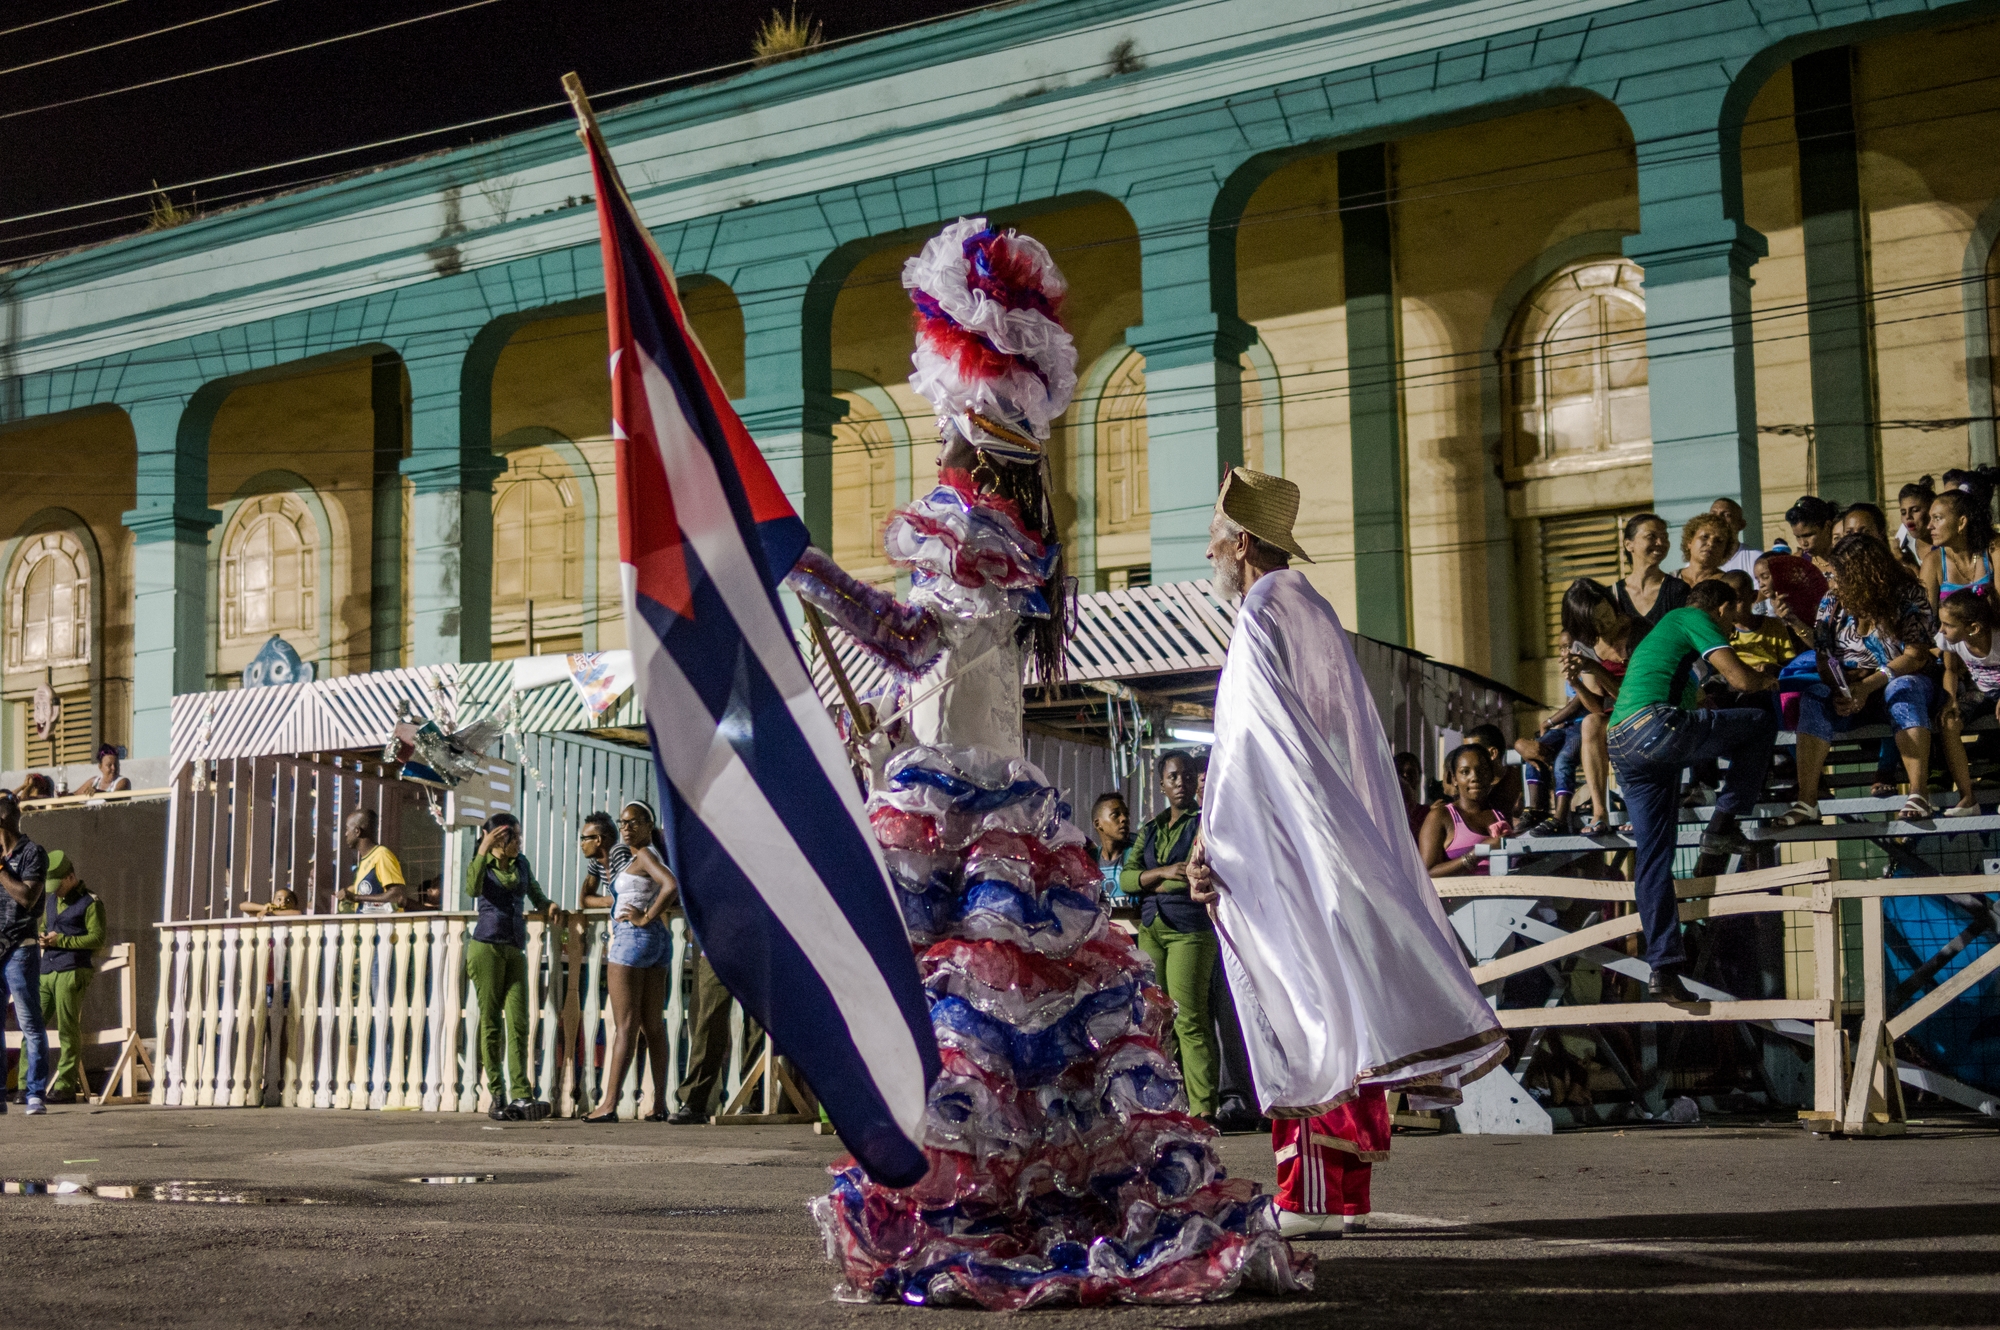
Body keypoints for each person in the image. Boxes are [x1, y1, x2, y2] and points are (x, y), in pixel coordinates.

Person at [1189, 467, 1504, 1239]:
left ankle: (1312, 1198)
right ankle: (1329, 1195)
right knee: (1342, 1001)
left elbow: (1247, 748)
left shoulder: (1263, 611)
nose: (1209, 553)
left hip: (1290, 841)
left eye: (1215, 538)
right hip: (1326, 837)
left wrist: (1211, 838)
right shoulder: (1312, 607)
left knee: (1310, 1006)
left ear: (1243, 542)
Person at [1607, 578, 1777, 1002]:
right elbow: (1739, 679)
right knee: (1758, 723)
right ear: (1720, 609)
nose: (1731, 632)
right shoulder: (1693, 616)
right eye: (1732, 622)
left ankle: (1663, 969)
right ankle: (1723, 823)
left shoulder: (1667, 641)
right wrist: (1768, 679)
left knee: (1653, 859)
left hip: (1624, 746)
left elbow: (1697, 700)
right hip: (1655, 729)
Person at [1772, 533, 1941, 825]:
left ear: (1864, 573)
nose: (1832, 578)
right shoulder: (1832, 601)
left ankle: (1918, 793)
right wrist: (1840, 688)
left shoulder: (1908, 595)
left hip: (1899, 680)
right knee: (1813, 697)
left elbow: (1916, 655)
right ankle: (1807, 801)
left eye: (1838, 573)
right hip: (1851, 686)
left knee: (1903, 687)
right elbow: (1823, 653)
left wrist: (1869, 684)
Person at [1119, 750, 1221, 1120]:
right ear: (1161, 784)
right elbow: (1125, 878)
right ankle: (1166, 1105)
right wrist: (1164, 874)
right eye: (1173, 777)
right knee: (1156, 1021)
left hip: (1189, 931)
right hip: (1152, 931)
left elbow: (1198, 873)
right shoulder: (1151, 828)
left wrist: (1153, 881)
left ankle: (1204, 1109)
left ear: (1197, 780)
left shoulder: (1205, 824)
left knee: (1189, 1017)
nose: (1181, 782)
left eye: (1187, 775)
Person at [583, 802, 679, 1124]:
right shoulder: (646, 856)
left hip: (632, 938)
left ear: (648, 825)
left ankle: (609, 1103)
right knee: (653, 1024)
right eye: (622, 824)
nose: (625, 829)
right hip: (655, 941)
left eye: (632, 823)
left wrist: (644, 916)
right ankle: (660, 1103)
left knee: (624, 1025)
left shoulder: (646, 856)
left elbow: (671, 885)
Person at [464, 812, 556, 1121]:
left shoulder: (522, 864)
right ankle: (497, 1094)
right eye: (514, 837)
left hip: (514, 947)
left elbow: (536, 893)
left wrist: (548, 905)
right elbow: (472, 889)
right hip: (486, 947)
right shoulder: (482, 864)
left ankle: (521, 1095)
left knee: (519, 1021)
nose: (519, 842)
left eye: (518, 836)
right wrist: (482, 849)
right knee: (490, 1022)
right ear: (499, 839)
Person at [1562, 578, 1640, 835]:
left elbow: (1637, 697)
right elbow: (1596, 706)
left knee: (1626, 726)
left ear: (1612, 603)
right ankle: (1600, 812)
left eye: (1605, 615)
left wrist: (1596, 669)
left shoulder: (1639, 632)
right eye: (1595, 623)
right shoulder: (1585, 645)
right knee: (1590, 723)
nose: (1604, 625)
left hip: (1647, 708)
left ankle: (1637, 810)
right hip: (1616, 713)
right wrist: (1577, 683)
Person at [34, 850, 101, 1104]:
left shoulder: (91, 902)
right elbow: (44, 925)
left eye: (58, 885)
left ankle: (64, 1086)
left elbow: (97, 938)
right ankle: (27, 1085)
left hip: (72, 970)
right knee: (32, 1025)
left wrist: (61, 940)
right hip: (47, 969)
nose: (56, 891)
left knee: (67, 1028)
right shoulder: (51, 901)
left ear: (71, 877)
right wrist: (44, 936)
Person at [0, 792, 49, 1114]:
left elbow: (27, 898)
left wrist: (1, 871)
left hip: (21, 949)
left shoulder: (33, 852)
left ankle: (35, 1093)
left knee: (29, 1023)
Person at [1934, 589, 2000, 816]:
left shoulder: (1996, 636)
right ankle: (1968, 798)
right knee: (1948, 722)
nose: (1941, 629)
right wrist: (1951, 700)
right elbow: (1951, 670)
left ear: (1973, 628)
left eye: (1948, 625)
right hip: (1980, 692)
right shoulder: (1949, 640)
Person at [1419, 744, 1513, 877]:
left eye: (1482, 770)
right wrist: (1478, 853)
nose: (1474, 777)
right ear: (1454, 779)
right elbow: (1428, 871)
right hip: (1460, 897)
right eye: (1465, 772)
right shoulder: (1441, 816)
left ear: (1492, 775)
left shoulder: (1499, 814)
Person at [1921, 483, 2000, 610]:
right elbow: (1925, 620)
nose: (1929, 526)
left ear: (1961, 522)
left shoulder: (1993, 548)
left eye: (1937, 518)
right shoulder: (1933, 562)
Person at [1615, 512, 1690, 628]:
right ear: (1629, 544)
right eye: (1651, 536)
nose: (1660, 542)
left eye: (1665, 537)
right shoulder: (1613, 595)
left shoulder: (1677, 590)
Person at [336, 810, 404, 914]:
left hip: (385, 927)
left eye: (347, 829)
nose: (345, 834)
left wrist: (356, 897)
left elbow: (397, 895)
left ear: (357, 831)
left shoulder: (382, 855)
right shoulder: (365, 860)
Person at [1089, 792, 1134, 908]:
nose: (1124, 819)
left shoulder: (1137, 854)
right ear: (1098, 824)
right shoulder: (1089, 860)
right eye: (1115, 815)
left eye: (1126, 814)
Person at [1677, 509, 1736, 589]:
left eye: (1719, 541)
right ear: (1689, 542)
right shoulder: (1668, 581)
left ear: (1725, 550)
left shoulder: (1728, 585)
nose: (1711, 544)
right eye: (1705, 537)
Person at [1786, 494, 1842, 571]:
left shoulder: (1846, 558)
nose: (1803, 543)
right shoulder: (1799, 564)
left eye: (1808, 535)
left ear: (1827, 526)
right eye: (1798, 537)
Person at [1711, 496, 1765, 575]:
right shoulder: (1698, 562)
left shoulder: (1756, 559)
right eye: (1713, 514)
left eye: (1726, 515)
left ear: (1741, 525)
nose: (1718, 518)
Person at [1895, 476, 1936, 573]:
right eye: (1903, 512)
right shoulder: (1904, 549)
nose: (1908, 516)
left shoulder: (1948, 547)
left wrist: (1913, 566)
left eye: (1915, 510)